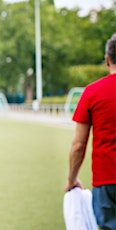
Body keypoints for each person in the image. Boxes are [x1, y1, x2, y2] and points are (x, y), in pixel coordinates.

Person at [65, 33, 116, 229]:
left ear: (107, 60)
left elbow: (79, 145)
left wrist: (72, 179)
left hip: (106, 183)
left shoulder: (93, 92)